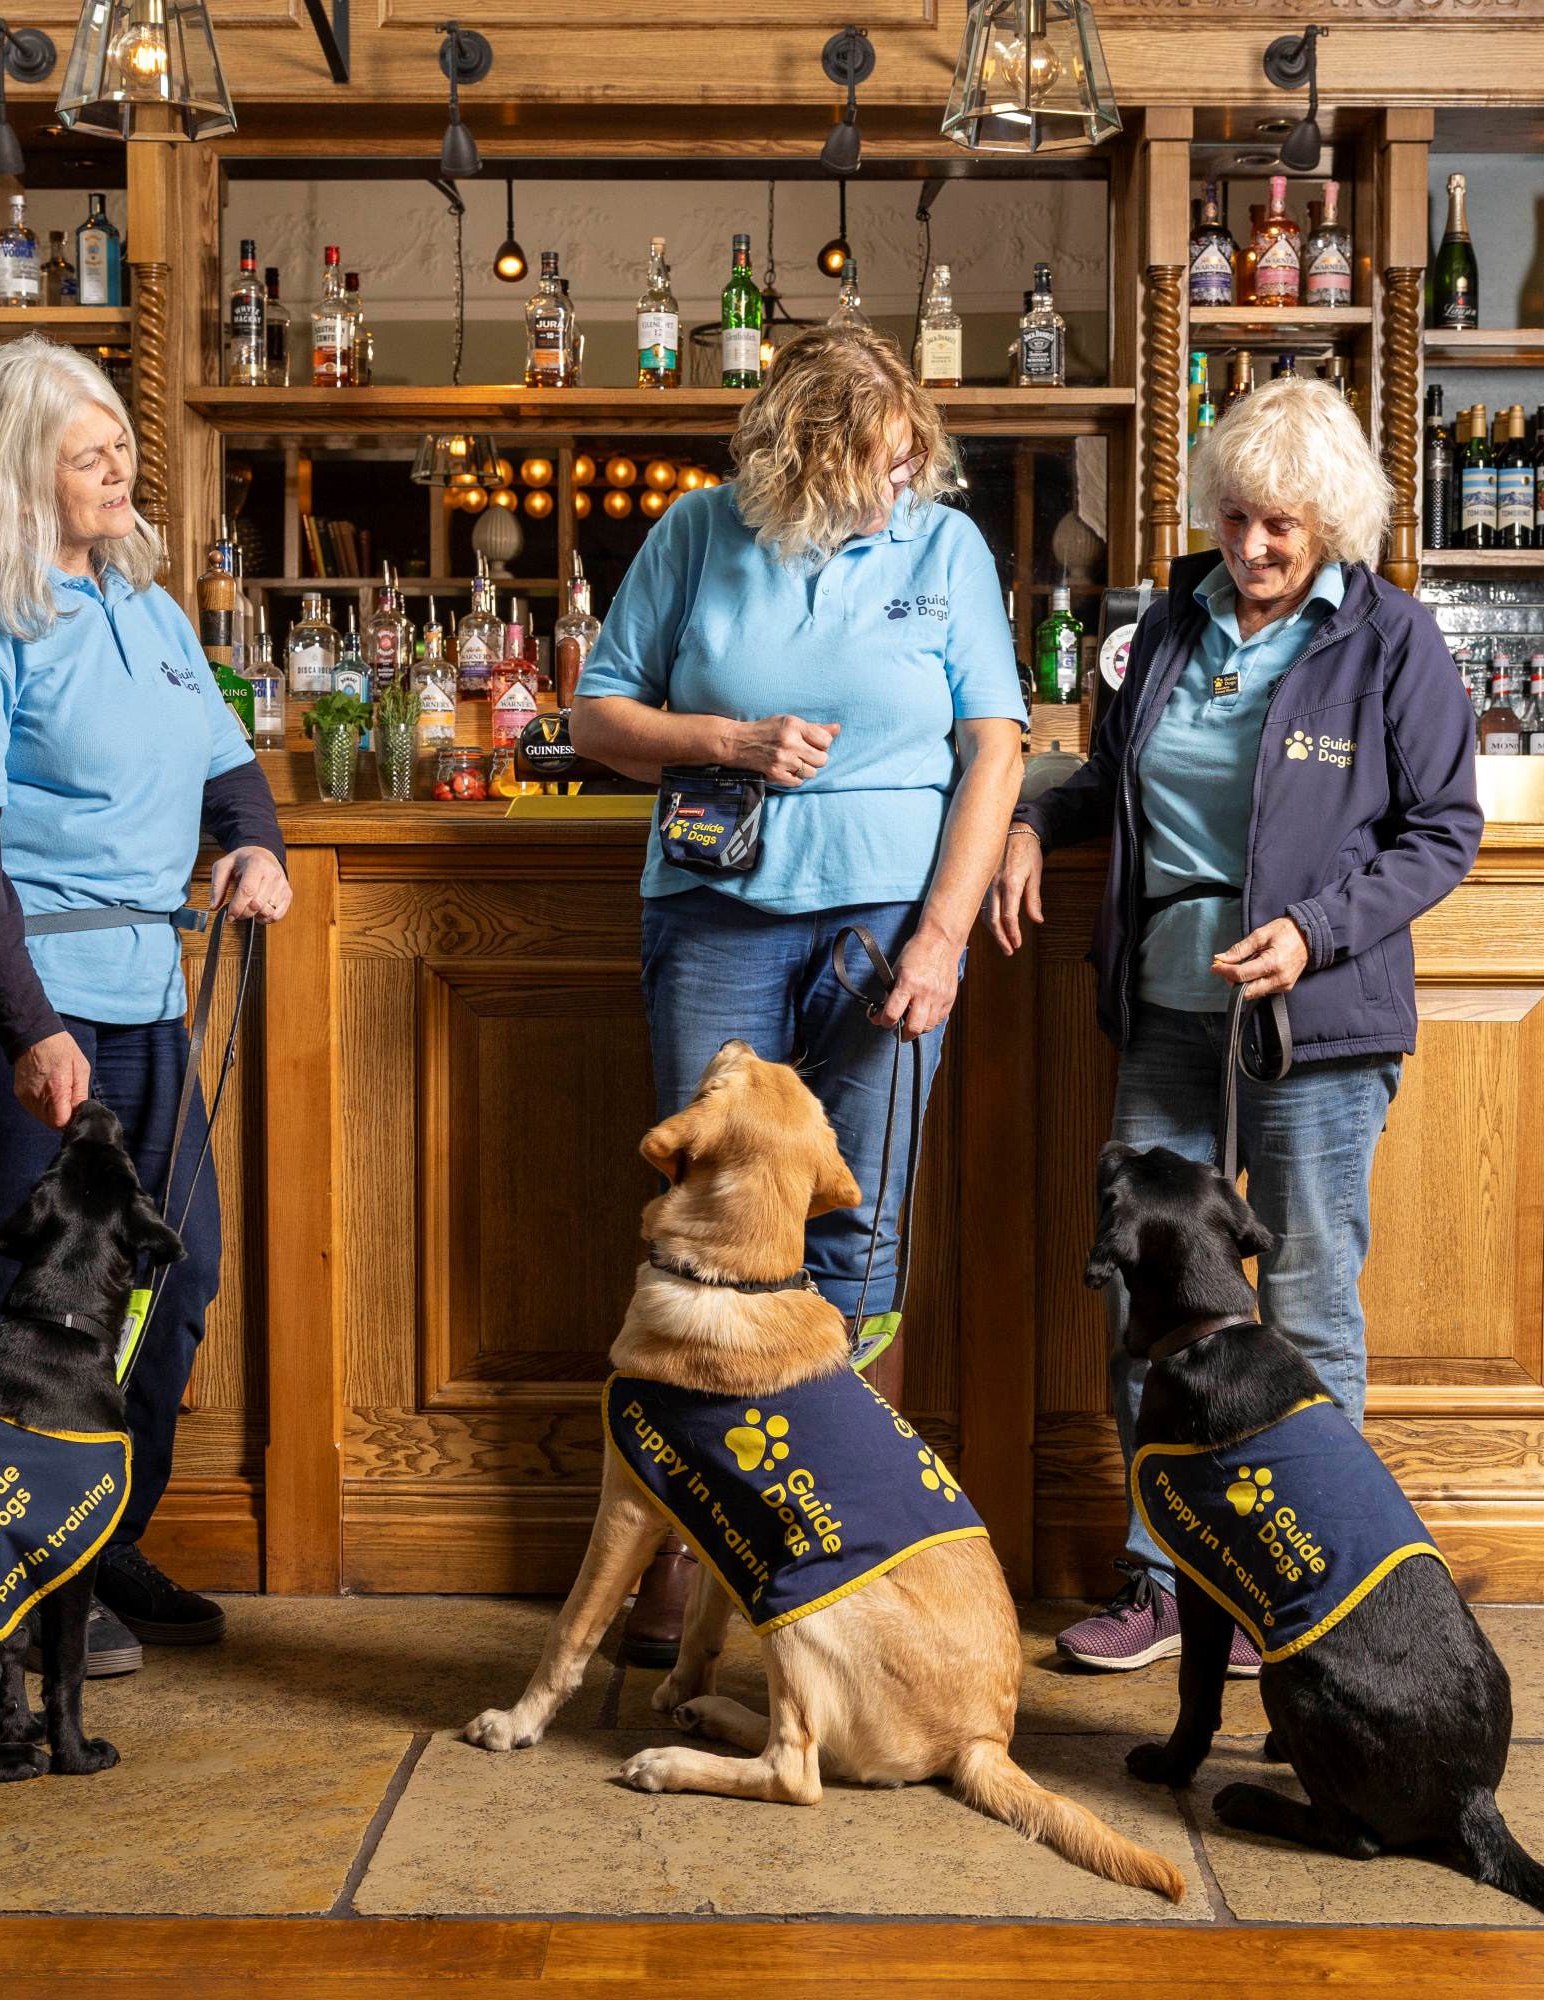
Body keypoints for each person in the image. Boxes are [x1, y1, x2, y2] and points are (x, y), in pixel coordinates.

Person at [988, 375, 1482, 1676]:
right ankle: (1162, 1585)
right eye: (1237, 519)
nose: (1254, 550)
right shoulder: (1169, 624)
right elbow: (1108, 776)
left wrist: (1317, 931)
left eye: (1283, 527)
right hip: (1166, 1009)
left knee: (1309, 1309)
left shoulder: (1392, 641)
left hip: (1316, 1022)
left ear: (1332, 521)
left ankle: (1309, 1593)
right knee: (1148, 1305)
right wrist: (1037, 823)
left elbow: (1446, 833)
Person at [572, 322, 1028, 1664]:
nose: (896, 490)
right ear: (796, 457)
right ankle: (696, 1545)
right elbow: (597, 719)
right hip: (715, 917)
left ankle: (831, 1547)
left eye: (908, 464)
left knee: (857, 1240)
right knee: (709, 1236)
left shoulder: (944, 549)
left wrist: (942, 939)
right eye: (871, 467)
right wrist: (730, 740)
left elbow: (993, 750)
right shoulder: (698, 536)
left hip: (889, 929)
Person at [0, 336, 289, 1678]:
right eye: (90, 450)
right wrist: (32, 1031)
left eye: (123, 442)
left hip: (142, 998)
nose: (121, 467)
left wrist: (254, 847)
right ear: (19, 471)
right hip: (14, 1005)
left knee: (173, 1286)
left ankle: (91, 1553)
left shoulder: (145, 605)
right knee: (20, 1298)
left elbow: (229, 770)